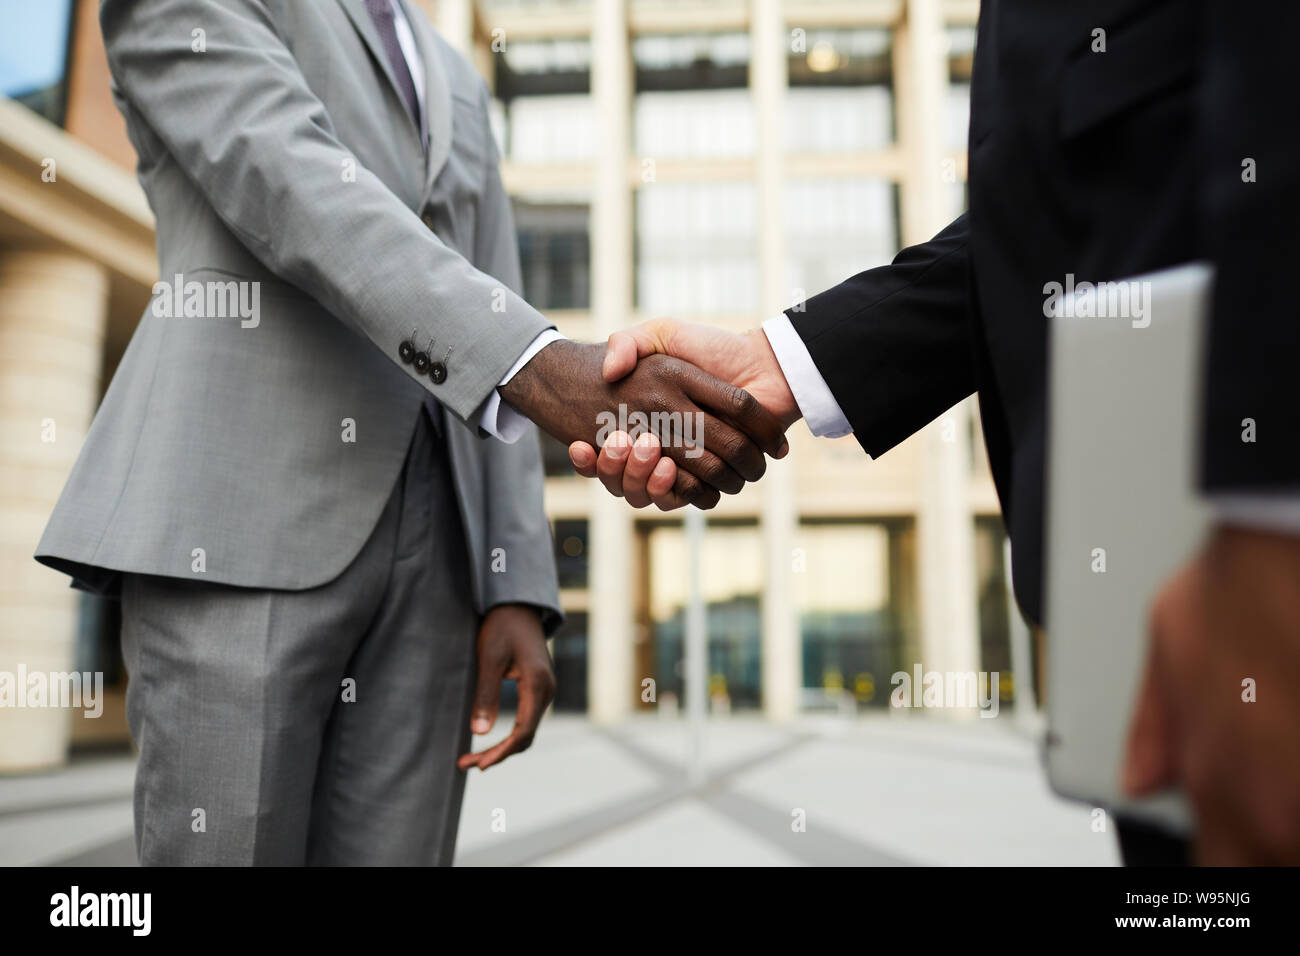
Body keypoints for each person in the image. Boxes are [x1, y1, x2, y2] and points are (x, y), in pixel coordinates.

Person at [35, 0, 781, 865]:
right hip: (239, 520)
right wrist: (547, 373)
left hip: (439, 562)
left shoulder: (454, 71)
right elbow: (289, 179)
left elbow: (494, 288)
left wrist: (513, 581)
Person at [570, 0, 1300, 865]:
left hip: (1243, 563)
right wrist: (781, 361)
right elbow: (1032, 241)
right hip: (1170, 593)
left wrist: (1270, 517)